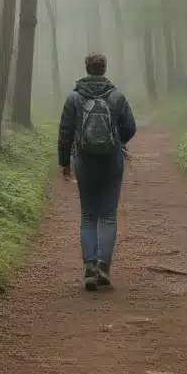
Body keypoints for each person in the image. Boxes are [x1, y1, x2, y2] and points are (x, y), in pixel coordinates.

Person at [57, 52, 136, 291]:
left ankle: (89, 268)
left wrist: (65, 163)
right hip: (112, 162)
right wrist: (117, 143)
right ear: (104, 69)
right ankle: (104, 267)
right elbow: (130, 127)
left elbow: (65, 133)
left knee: (88, 216)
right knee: (109, 216)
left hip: (84, 162)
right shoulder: (117, 96)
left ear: (87, 68)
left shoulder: (74, 98)